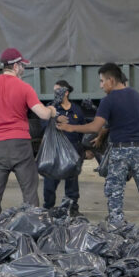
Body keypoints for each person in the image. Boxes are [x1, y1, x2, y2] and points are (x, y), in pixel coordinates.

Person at [57, 62, 139, 234]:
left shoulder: (108, 100)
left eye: (101, 81)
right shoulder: (137, 96)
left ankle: (117, 229)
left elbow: (94, 126)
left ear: (111, 80)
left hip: (120, 151)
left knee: (115, 192)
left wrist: (71, 128)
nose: (100, 86)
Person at [0, 47, 56, 219]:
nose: (23, 69)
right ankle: (32, 231)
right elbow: (43, 114)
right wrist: (52, 110)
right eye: (22, 66)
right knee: (30, 194)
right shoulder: (24, 87)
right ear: (16, 66)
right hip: (20, 146)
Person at [43, 80, 85, 216]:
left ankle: (72, 209)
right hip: (54, 153)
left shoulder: (76, 110)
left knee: (72, 183)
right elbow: (43, 126)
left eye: (58, 90)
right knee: (50, 182)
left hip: (72, 152)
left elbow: (83, 130)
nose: (55, 93)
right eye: (54, 91)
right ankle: (48, 209)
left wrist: (85, 150)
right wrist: (54, 119)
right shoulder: (50, 108)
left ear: (66, 92)